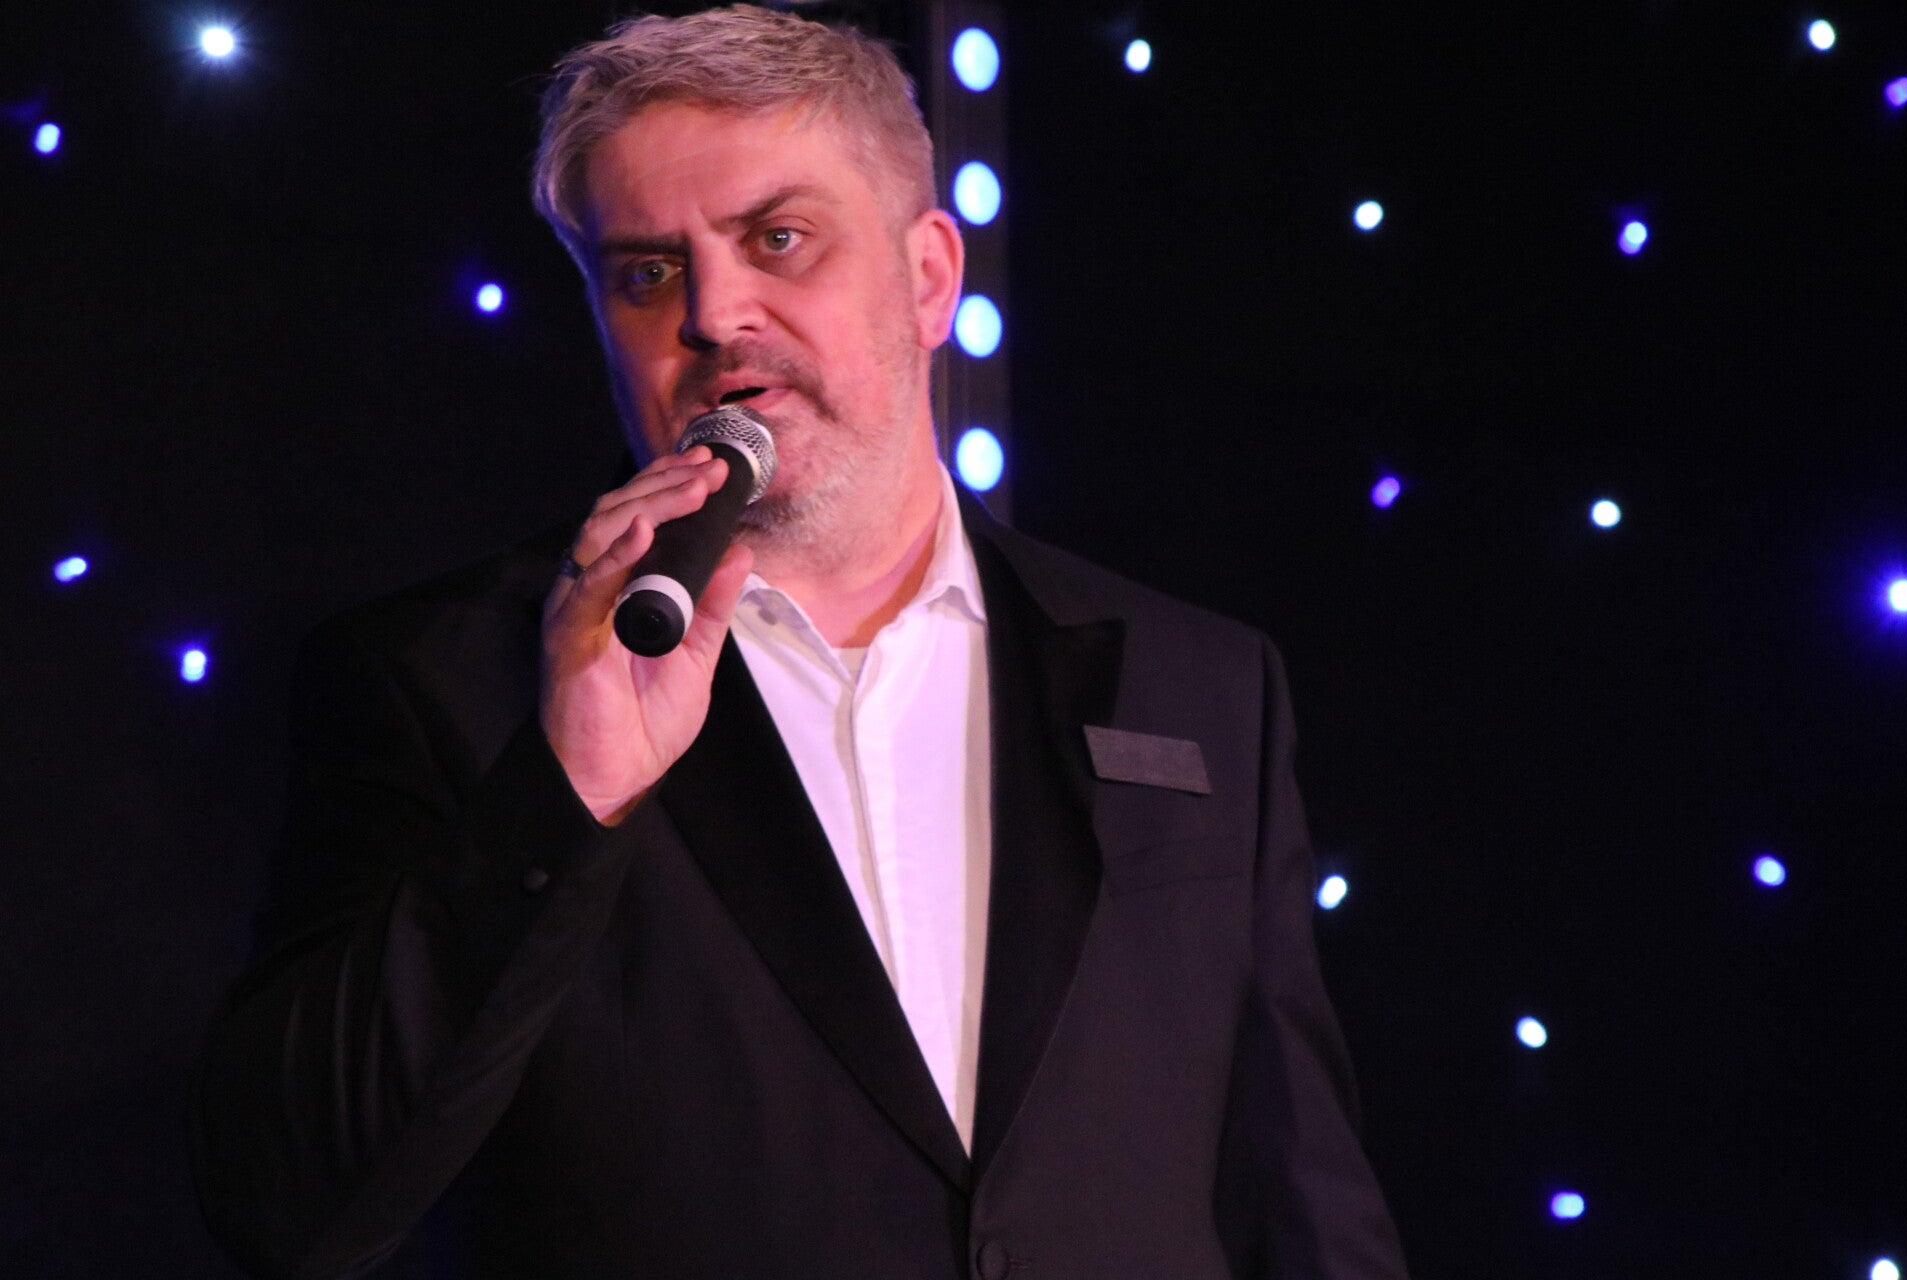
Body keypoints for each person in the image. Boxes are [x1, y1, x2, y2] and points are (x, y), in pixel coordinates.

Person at [190, 7, 1410, 1278]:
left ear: (929, 277)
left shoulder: (1197, 682)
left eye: (779, 238)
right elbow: (290, 1206)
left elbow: (1300, 1203)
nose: (716, 314)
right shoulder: (448, 681)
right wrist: (566, 792)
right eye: (649, 272)